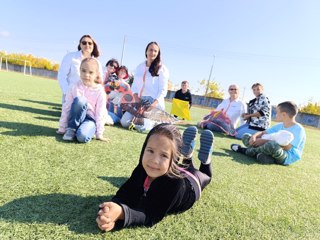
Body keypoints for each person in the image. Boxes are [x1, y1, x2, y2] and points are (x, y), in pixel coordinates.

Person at [96, 124, 214, 231]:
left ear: (173, 159)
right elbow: (124, 194)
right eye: (150, 151)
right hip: (173, 168)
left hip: (192, 183)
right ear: (143, 149)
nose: (154, 160)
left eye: (163, 155)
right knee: (184, 165)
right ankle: (187, 155)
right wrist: (110, 213)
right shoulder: (141, 170)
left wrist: (122, 213)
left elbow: (151, 215)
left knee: (206, 177)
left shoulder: (175, 184)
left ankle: (205, 161)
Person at [230, 101, 306, 165]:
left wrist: (264, 141)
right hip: (268, 149)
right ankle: (263, 157)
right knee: (246, 136)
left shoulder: (298, 129)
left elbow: (287, 147)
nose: (275, 114)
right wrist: (254, 136)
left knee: (272, 145)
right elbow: (263, 132)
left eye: (277, 112)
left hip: (286, 156)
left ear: (284, 114)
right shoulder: (279, 125)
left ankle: (244, 151)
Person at [57, 58, 108, 143]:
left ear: (96, 74)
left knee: (82, 137)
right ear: (79, 70)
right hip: (75, 117)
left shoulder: (100, 92)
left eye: (91, 72)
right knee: (80, 100)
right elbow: (67, 107)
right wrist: (62, 128)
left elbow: (100, 113)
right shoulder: (74, 86)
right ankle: (71, 129)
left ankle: (81, 130)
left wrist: (99, 134)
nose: (86, 75)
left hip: (90, 119)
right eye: (83, 71)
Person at [120, 41, 169, 131]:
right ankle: (142, 121)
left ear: (158, 54)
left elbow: (163, 90)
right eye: (150, 50)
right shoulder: (139, 67)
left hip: (154, 102)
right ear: (146, 51)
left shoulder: (162, 69)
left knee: (145, 127)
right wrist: (138, 102)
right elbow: (134, 87)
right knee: (124, 122)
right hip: (139, 100)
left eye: (155, 51)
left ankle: (156, 122)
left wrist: (152, 105)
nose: (152, 53)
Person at [57, 34, 103, 103]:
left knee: (108, 114)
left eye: (90, 43)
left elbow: (99, 82)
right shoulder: (70, 57)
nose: (87, 45)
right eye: (84, 43)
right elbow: (62, 76)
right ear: (80, 45)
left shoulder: (97, 62)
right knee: (79, 104)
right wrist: (68, 93)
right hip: (72, 98)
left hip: (90, 100)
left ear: (93, 46)